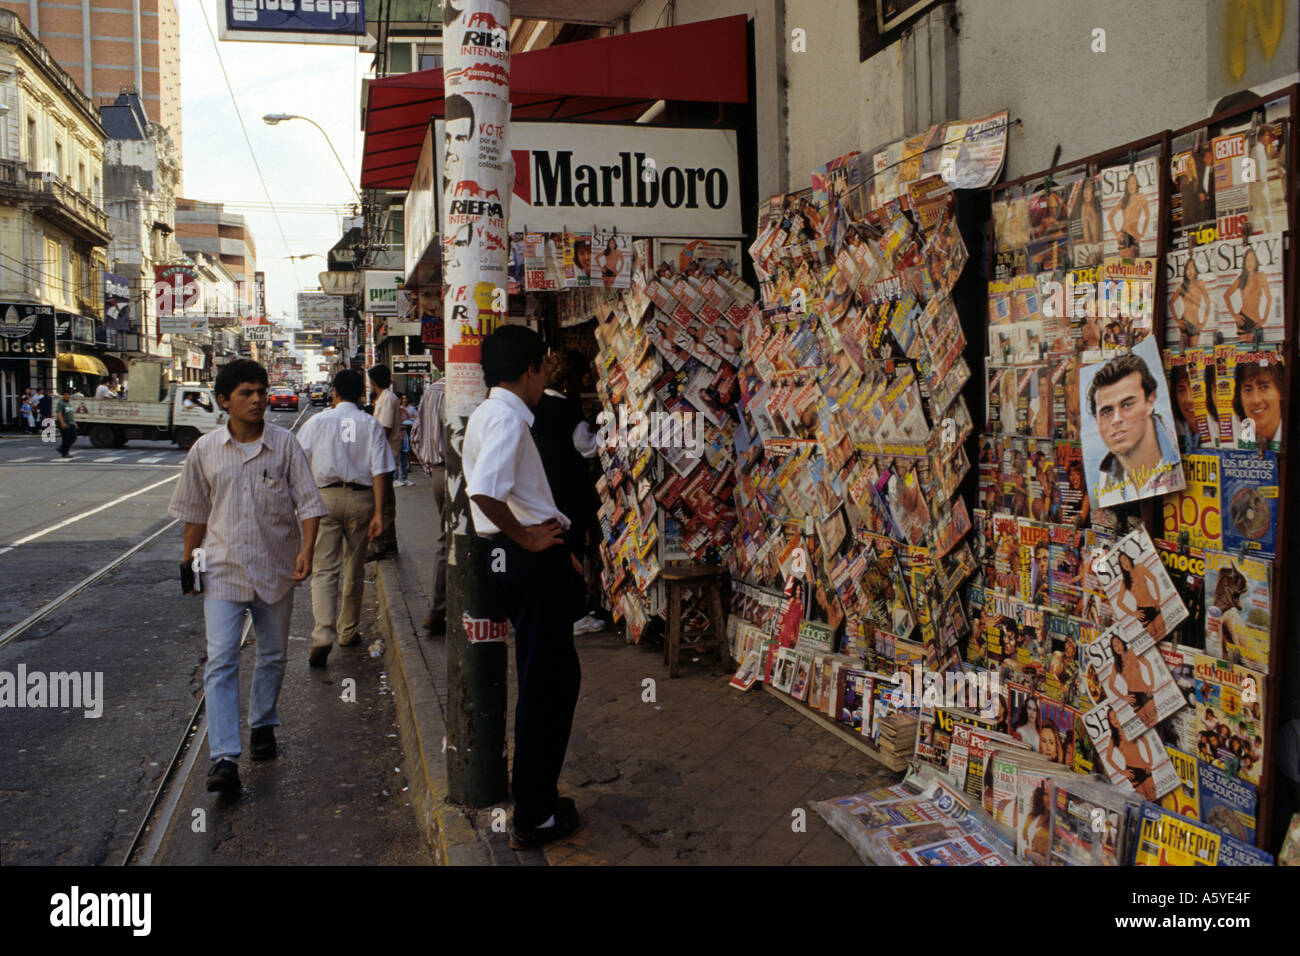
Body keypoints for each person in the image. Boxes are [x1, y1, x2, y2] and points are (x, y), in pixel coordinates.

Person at [167, 359, 328, 795]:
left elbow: (310, 505)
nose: (257, 399)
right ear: (224, 401)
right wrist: (189, 565)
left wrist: (306, 551)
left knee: (272, 656)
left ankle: (262, 725)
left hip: (276, 570)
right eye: (246, 393)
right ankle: (223, 758)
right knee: (221, 661)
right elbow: (194, 514)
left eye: (260, 390)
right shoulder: (204, 450)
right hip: (221, 571)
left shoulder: (285, 445)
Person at [463, 325, 582, 849]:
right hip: (525, 561)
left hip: (515, 558)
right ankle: (535, 814)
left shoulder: (491, 414)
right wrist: (530, 538)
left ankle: (540, 800)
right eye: (541, 371)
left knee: (550, 678)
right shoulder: (508, 418)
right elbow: (486, 491)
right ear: (532, 370)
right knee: (548, 684)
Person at [296, 369, 394, 668]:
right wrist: (379, 513)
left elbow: (298, 461)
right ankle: (347, 631)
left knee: (325, 569)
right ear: (362, 395)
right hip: (362, 499)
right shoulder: (370, 424)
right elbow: (381, 471)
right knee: (354, 567)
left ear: (334, 393)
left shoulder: (318, 421)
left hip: (325, 499)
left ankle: (323, 633)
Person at [530, 352, 602, 636]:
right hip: (568, 490)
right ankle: (576, 615)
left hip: (541, 490)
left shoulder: (532, 407)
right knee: (571, 547)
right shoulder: (567, 409)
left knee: (552, 548)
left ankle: (554, 609)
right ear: (569, 382)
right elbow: (586, 447)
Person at [1086, 350, 1181, 503]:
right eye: (1106, 411)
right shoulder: (1102, 482)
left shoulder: (1180, 460)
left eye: (1127, 404)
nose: (1116, 419)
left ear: (1150, 402)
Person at [410, 371, 447, 634]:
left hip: (439, 473)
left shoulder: (432, 391)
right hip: (461, 473)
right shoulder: (475, 387)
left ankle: (437, 608)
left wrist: (430, 467)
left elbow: (415, 435)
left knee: (448, 539)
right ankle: (439, 608)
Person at [368, 364, 401, 558]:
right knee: (385, 501)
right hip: (382, 456)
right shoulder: (384, 398)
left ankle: (381, 545)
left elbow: (384, 429)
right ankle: (389, 543)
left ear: (373, 382)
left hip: (385, 455)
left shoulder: (388, 398)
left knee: (382, 503)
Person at [1233, 359, 1283, 450]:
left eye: (1264, 387)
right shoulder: (1234, 428)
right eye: (1248, 390)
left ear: (1280, 392)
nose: (1256, 400)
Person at [1168, 257, 1211, 347]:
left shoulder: (1200, 283)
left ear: (1196, 270)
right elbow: (1171, 302)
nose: (1190, 271)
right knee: (1183, 355)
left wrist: (1203, 322)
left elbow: (1208, 303)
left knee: (1193, 355)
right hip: (1184, 322)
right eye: (1187, 269)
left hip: (1195, 323)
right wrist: (1177, 320)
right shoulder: (1182, 286)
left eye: (1192, 268)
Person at [395, 393, 416, 486]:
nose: (402, 401)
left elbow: (412, 421)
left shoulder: (403, 411)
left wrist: (403, 425)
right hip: (395, 438)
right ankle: (395, 479)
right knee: (396, 460)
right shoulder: (393, 411)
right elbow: (394, 425)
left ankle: (404, 478)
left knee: (404, 459)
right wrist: (402, 425)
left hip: (404, 437)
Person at [54, 388, 77, 459]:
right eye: (65, 395)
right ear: (63, 395)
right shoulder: (61, 403)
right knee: (66, 438)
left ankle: (62, 448)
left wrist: (74, 422)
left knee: (73, 436)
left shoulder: (69, 403)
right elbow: (59, 413)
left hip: (71, 423)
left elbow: (71, 414)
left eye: (68, 395)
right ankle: (65, 453)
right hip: (65, 422)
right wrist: (62, 422)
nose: (66, 396)